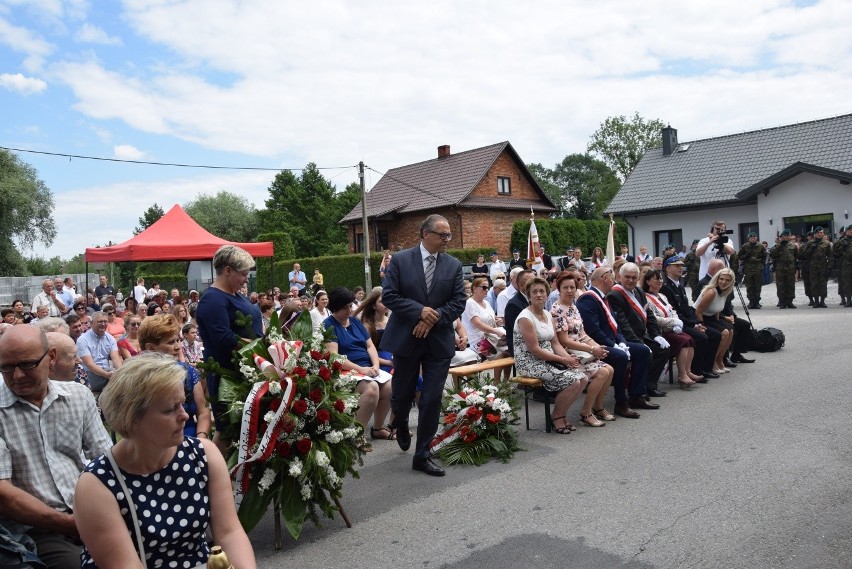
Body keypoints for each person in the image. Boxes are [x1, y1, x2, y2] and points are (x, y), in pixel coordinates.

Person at [75, 354, 256, 569]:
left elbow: (229, 532)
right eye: (170, 409)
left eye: (183, 403)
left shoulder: (203, 454)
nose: (185, 416)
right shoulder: (96, 485)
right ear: (131, 419)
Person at [0, 325, 112, 568]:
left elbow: (106, 462)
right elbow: (4, 495)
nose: (17, 375)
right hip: (35, 529)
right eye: (7, 368)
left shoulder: (78, 396)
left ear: (50, 358)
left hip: (90, 512)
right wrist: (70, 524)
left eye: (27, 364)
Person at [381, 214, 466, 477]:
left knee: (431, 398)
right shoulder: (401, 260)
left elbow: (458, 301)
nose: (447, 240)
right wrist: (420, 312)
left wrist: (433, 318)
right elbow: (390, 296)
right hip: (406, 338)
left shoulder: (453, 265)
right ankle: (401, 422)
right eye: (442, 235)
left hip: (438, 341)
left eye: (449, 235)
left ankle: (422, 454)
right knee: (402, 394)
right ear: (424, 234)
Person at [196, 245, 262, 451]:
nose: (245, 279)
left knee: (242, 427)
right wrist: (258, 347)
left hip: (244, 369)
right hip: (227, 374)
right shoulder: (213, 299)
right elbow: (223, 338)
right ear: (227, 270)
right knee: (226, 431)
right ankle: (207, 474)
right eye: (243, 274)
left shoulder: (235, 294)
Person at [576, 267, 657, 418]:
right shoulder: (589, 298)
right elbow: (593, 330)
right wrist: (614, 345)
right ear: (605, 278)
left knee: (642, 351)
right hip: (595, 344)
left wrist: (622, 342)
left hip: (612, 342)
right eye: (613, 278)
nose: (614, 282)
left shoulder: (603, 297)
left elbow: (615, 324)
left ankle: (636, 395)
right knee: (620, 357)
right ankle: (621, 402)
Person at [514, 277, 588, 434]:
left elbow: (555, 343)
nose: (539, 294)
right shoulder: (525, 318)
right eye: (534, 292)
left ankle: (561, 414)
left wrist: (568, 358)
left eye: (542, 291)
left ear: (547, 294)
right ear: (529, 295)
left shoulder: (547, 314)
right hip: (530, 362)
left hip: (547, 358)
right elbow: (535, 350)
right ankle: (556, 417)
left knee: (583, 378)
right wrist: (563, 359)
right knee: (573, 381)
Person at [324, 287, 393, 449]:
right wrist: (360, 370)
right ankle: (356, 434)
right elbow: (335, 356)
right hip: (346, 370)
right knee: (372, 389)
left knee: (390, 387)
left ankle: (377, 428)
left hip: (366, 368)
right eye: (345, 308)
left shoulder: (355, 321)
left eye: (350, 306)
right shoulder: (329, 325)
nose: (349, 310)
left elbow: (370, 346)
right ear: (335, 308)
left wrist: (376, 365)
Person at [550, 272, 615, 425]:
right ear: (559, 289)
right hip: (568, 353)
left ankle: (598, 407)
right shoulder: (557, 309)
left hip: (582, 350)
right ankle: (586, 412)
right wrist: (591, 350)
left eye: (572, 287)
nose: (569, 290)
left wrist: (596, 345)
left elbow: (582, 333)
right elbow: (564, 340)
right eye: (565, 287)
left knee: (610, 369)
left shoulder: (574, 307)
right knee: (602, 373)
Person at [139, 314, 211, 438]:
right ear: (150, 347)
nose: (178, 347)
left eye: (178, 340)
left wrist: (201, 439)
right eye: (171, 342)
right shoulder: (139, 379)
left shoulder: (188, 373)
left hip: (190, 440)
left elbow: (203, 412)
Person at [606, 263, 671, 398]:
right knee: (644, 352)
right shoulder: (614, 295)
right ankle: (636, 390)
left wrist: (656, 335)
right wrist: (640, 342)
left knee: (663, 348)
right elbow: (622, 324)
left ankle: (649, 385)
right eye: (627, 277)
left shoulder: (639, 291)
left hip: (642, 335)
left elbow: (650, 316)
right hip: (627, 339)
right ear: (619, 277)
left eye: (634, 278)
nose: (630, 280)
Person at [641, 269, 706, 388]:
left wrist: (678, 322)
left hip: (671, 327)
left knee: (690, 339)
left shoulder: (662, 296)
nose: (660, 281)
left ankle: (688, 371)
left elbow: (672, 310)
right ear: (648, 281)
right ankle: (682, 376)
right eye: (657, 279)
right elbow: (653, 318)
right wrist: (672, 322)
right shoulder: (646, 298)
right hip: (660, 331)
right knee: (683, 341)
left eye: (661, 279)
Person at [660, 257, 722, 379]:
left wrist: (697, 322)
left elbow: (687, 309)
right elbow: (675, 312)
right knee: (702, 337)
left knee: (715, 334)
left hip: (686, 321)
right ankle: (696, 371)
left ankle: (706, 368)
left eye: (681, 266)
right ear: (668, 268)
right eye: (676, 265)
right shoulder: (666, 287)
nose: (680, 268)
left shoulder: (679, 285)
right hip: (676, 324)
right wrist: (693, 325)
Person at [693, 268, 736, 373]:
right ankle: (712, 362)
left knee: (730, 330)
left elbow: (716, 309)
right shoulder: (712, 292)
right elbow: (698, 311)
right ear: (717, 279)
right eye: (721, 279)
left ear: (731, 282)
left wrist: (720, 322)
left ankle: (720, 359)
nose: (723, 282)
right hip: (699, 317)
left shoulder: (725, 291)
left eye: (727, 280)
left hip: (711, 317)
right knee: (724, 333)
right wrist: (701, 325)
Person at [77, 310, 123, 396]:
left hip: (107, 371)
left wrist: (121, 373)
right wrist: (107, 375)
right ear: (91, 323)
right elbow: (90, 365)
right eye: (100, 321)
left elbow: (116, 359)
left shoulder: (110, 338)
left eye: (105, 321)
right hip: (90, 373)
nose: (103, 324)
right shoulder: (83, 340)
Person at [461, 276, 505, 359]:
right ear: (475, 289)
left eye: (488, 287)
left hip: (491, 338)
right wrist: (496, 331)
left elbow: (491, 318)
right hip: (477, 341)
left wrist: (497, 321)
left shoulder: (486, 303)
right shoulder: (470, 303)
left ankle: (505, 373)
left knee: (509, 349)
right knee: (502, 354)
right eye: (484, 287)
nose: (487, 290)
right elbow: (478, 324)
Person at [798, 226, 832, 308]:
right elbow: (804, 255)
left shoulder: (827, 243)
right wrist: (812, 248)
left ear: (823, 234)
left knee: (823, 284)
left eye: (821, 232)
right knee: (814, 284)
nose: (819, 234)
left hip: (823, 266)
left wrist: (830, 266)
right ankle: (816, 301)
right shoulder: (810, 243)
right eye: (818, 233)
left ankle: (822, 301)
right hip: (812, 267)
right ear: (815, 234)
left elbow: (830, 256)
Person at [504, 270, 534, 356]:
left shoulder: (535, 300)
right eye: (531, 282)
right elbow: (521, 334)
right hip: (521, 349)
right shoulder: (514, 305)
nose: (534, 285)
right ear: (521, 285)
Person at [737, 232, 767, 309]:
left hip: (757, 268)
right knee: (749, 286)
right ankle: (751, 301)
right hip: (748, 268)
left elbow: (765, 256)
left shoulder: (760, 246)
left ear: (756, 238)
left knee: (757, 286)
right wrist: (745, 256)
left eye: (754, 238)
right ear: (748, 238)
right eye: (751, 238)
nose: (753, 239)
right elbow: (739, 256)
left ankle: (757, 302)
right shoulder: (745, 246)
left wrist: (762, 265)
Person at [770, 229, 799, 308]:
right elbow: (772, 255)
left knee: (790, 285)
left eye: (789, 235)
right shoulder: (778, 246)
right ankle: (782, 301)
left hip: (790, 268)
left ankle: (790, 301)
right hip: (780, 268)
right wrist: (778, 245)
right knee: (781, 285)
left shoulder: (793, 245)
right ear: (782, 237)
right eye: (786, 236)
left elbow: (796, 256)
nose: (788, 237)